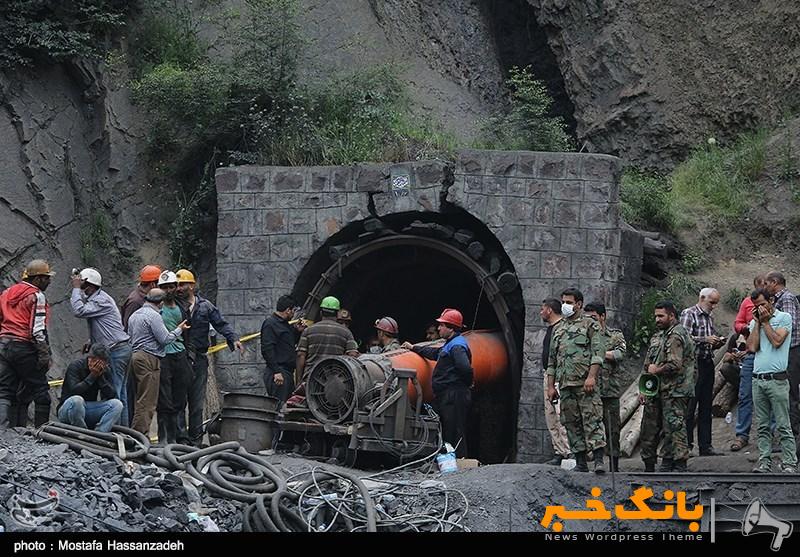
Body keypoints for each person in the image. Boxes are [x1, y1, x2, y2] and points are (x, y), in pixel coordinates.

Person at [175, 269, 243, 446]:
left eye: (183, 284)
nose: (179, 288)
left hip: (199, 358)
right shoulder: (173, 306)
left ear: (192, 285)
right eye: (177, 285)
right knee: (179, 401)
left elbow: (220, 323)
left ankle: (195, 441)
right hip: (179, 359)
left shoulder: (205, 306)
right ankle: (181, 441)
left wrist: (233, 338)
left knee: (196, 403)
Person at [545, 288, 607, 473]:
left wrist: (591, 377)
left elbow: (598, 353)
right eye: (563, 301)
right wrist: (550, 386)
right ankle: (580, 462)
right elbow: (552, 361)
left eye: (569, 302)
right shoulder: (559, 329)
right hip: (565, 385)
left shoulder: (590, 325)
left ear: (579, 304)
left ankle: (598, 461)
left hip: (585, 384)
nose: (565, 305)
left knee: (593, 420)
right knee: (570, 422)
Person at [402, 308, 473, 457]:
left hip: (454, 395)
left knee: (455, 430)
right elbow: (435, 353)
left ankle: (459, 461)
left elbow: (465, 368)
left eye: (442, 325)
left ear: (451, 328)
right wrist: (414, 348)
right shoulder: (450, 344)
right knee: (446, 427)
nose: (439, 328)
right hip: (447, 395)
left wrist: (467, 382)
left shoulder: (457, 346)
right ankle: (448, 459)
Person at [69, 267, 132, 426]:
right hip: (118, 348)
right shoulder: (98, 299)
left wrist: (76, 289)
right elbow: (103, 325)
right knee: (120, 394)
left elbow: (79, 310)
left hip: (116, 350)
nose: (82, 290)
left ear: (89, 286)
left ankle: (117, 433)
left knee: (114, 393)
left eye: (83, 286)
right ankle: (123, 432)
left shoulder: (101, 300)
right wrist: (92, 341)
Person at [639, 300, 695, 472]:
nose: (657, 319)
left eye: (661, 316)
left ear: (672, 316)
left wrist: (657, 370)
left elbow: (675, 365)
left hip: (675, 390)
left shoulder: (677, 335)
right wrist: (643, 388)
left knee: (674, 427)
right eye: (656, 316)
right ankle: (650, 464)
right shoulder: (658, 336)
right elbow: (648, 364)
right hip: (655, 390)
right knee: (649, 427)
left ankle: (677, 464)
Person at [747, 288, 797, 473]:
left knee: (783, 424)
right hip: (758, 379)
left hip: (777, 380)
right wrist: (757, 323)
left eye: (762, 304)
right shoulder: (757, 321)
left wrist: (766, 322)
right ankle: (764, 462)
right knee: (762, 425)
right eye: (756, 306)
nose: (759, 308)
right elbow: (752, 347)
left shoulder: (784, 318)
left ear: (772, 300)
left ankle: (789, 462)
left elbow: (777, 341)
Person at [127, 288, 190, 435]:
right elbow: (165, 339)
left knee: (140, 398)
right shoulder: (154, 316)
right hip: (149, 358)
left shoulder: (135, 315)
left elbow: (129, 337)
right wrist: (179, 329)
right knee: (147, 401)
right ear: (160, 303)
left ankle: (139, 435)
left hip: (136, 356)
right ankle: (139, 436)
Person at [0, 259, 54, 429]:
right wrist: (44, 353)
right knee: (41, 391)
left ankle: (3, 432)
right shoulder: (36, 296)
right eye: (46, 278)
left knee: (5, 391)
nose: (49, 281)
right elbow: (37, 330)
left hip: (3, 345)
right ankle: (43, 433)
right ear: (37, 279)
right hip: (23, 346)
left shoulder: (7, 293)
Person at [680, 287, 725, 455]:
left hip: (707, 362)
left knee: (706, 405)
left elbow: (709, 338)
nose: (713, 306)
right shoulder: (689, 314)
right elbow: (683, 338)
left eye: (715, 303)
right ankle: (687, 445)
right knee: (690, 405)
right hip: (693, 364)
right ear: (702, 298)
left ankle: (706, 446)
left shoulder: (709, 317)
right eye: (711, 302)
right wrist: (705, 339)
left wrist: (717, 342)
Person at [584, 301, 626, 472]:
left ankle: (615, 465)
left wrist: (598, 354)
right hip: (591, 391)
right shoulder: (584, 336)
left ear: (603, 316)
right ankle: (598, 461)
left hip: (610, 390)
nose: (591, 321)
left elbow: (620, 353)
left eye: (594, 317)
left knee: (613, 429)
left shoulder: (614, 335)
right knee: (593, 426)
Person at [731, 274, 768, 451]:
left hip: (768, 354)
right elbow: (737, 323)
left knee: (771, 395)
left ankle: (772, 435)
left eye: (764, 285)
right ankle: (741, 435)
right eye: (759, 285)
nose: (762, 287)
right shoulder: (747, 302)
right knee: (745, 395)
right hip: (750, 351)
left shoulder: (774, 308)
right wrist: (745, 328)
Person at [764, 271, 800, 454]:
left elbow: (788, 325)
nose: (765, 287)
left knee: (790, 395)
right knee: (786, 395)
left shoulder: (786, 298)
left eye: (767, 284)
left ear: (775, 282)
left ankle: (793, 442)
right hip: (786, 352)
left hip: (791, 351)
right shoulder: (779, 299)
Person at [155, 271, 192, 444]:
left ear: (176, 287)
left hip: (180, 354)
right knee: (164, 399)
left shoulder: (182, 307)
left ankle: (180, 437)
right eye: (164, 287)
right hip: (163, 356)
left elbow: (189, 333)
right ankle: (165, 438)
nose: (168, 290)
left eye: (171, 286)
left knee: (180, 397)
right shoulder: (155, 308)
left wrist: (189, 354)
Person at [294, 296, 359, 388]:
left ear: (321, 313)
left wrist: (299, 381)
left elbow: (301, 355)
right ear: (337, 314)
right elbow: (352, 356)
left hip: (310, 379)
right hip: (335, 381)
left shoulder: (308, 331)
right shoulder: (346, 333)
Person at [57, 344, 123, 432]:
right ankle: (82, 433)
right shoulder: (76, 366)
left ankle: (100, 434)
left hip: (89, 409)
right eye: (96, 362)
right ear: (90, 359)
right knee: (77, 400)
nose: (99, 366)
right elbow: (74, 391)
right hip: (68, 409)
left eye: (102, 363)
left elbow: (111, 395)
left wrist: (100, 377)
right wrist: (92, 376)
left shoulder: (104, 370)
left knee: (117, 404)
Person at [539, 298, 570, 466]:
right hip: (549, 376)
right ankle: (559, 451)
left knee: (560, 414)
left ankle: (568, 452)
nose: (541, 312)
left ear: (549, 310)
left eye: (542, 309)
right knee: (550, 415)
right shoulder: (551, 329)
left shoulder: (562, 329)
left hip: (559, 377)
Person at [261, 295, 299, 404]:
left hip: (287, 372)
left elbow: (287, 344)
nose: (294, 314)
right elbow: (267, 350)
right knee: (279, 406)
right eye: (293, 310)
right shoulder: (270, 324)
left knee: (286, 405)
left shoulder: (285, 325)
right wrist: (276, 371)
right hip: (278, 373)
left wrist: (297, 331)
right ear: (288, 310)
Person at [121, 265, 162, 331]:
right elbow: (127, 326)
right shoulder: (135, 301)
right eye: (160, 284)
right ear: (153, 285)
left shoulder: (147, 297)